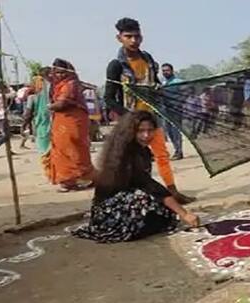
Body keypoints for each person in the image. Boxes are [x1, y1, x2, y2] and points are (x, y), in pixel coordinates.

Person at [104, 17, 195, 204]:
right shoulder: (116, 65)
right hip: (131, 123)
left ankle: (173, 192)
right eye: (128, 37)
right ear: (119, 38)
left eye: (137, 36)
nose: (133, 41)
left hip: (152, 118)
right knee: (133, 161)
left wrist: (159, 91)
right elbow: (108, 98)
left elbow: (156, 85)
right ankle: (135, 196)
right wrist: (128, 116)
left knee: (162, 156)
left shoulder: (148, 60)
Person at [72, 111, 200, 243]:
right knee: (144, 198)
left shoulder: (142, 150)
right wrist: (183, 213)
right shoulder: (124, 154)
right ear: (131, 131)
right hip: (108, 210)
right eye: (141, 131)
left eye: (150, 130)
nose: (146, 135)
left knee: (163, 209)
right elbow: (150, 186)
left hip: (127, 200)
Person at [47, 58, 94, 192]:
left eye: (62, 72)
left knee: (72, 148)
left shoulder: (70, 84)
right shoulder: (58, 85)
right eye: (57, 72)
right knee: (64, 148)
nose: (59, 75)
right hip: (63, 121)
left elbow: (62, 103)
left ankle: (71, 180)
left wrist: (50, 106)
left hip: (72, 121)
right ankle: (75, 179)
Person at [160, 63, 184, 160]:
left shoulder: (178, 82)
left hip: (176, 110)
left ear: (172, 71)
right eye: (163, 71)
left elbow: (185, 93)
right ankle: (176, 150)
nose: (165, 72)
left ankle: (179, 152)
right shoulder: (163, 84)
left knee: (175, 131)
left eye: (167, 70)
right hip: (166, 111)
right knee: (169, 132)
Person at [0, 87, 17, 158]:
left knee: (8, 135)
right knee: (5, 135)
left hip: (2, 116)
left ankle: (8, 150)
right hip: (0, 117)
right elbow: (13, 94)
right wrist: (10, 88)